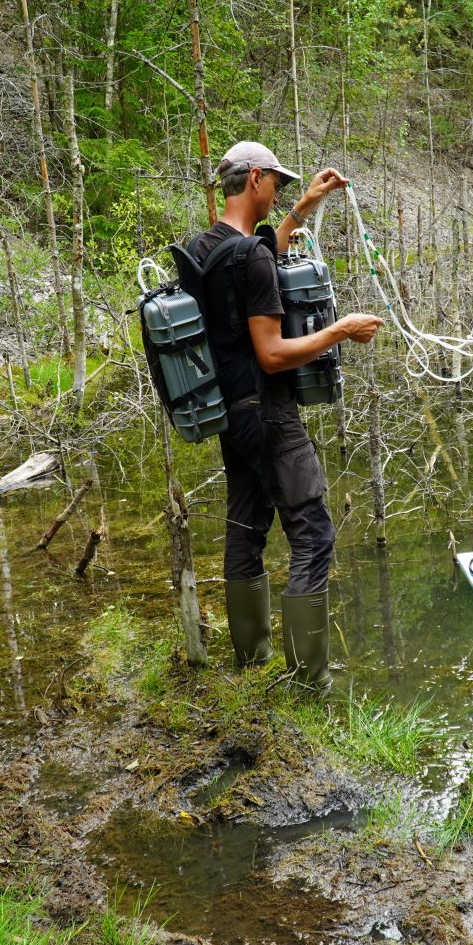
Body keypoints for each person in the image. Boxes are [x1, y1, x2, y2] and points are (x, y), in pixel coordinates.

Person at [190, 141, 383, 688]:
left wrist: (306, 207)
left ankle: (251, 663)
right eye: (276, 182)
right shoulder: (249, 255)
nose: (278, 191)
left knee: (247, 528)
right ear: (254, 179)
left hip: (229, 413)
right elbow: (272, 353)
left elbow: (251, 264)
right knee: (313, 534)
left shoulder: (208, 246)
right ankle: (309, 681)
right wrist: (341, 330)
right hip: (269, 412)